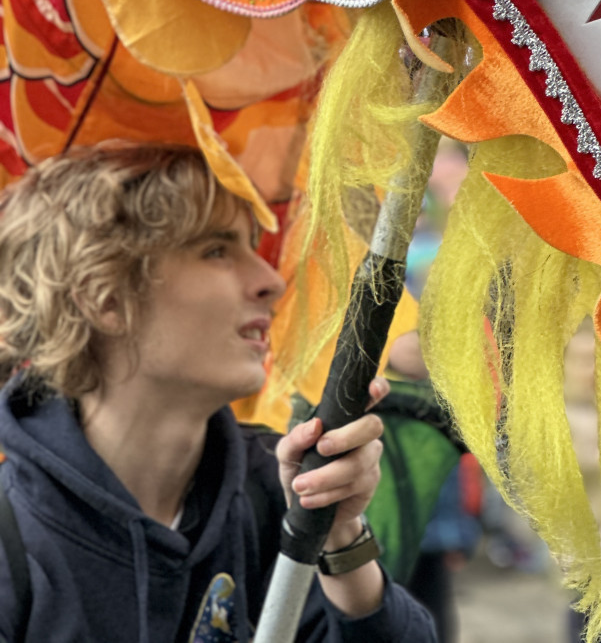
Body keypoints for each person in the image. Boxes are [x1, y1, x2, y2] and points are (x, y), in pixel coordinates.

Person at [0, 145, 437, 643]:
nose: (270, 281)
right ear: (106, 299)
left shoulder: (273, 492)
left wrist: (337, 535)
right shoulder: (12, 546)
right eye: (216, 250)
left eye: (253, 246)